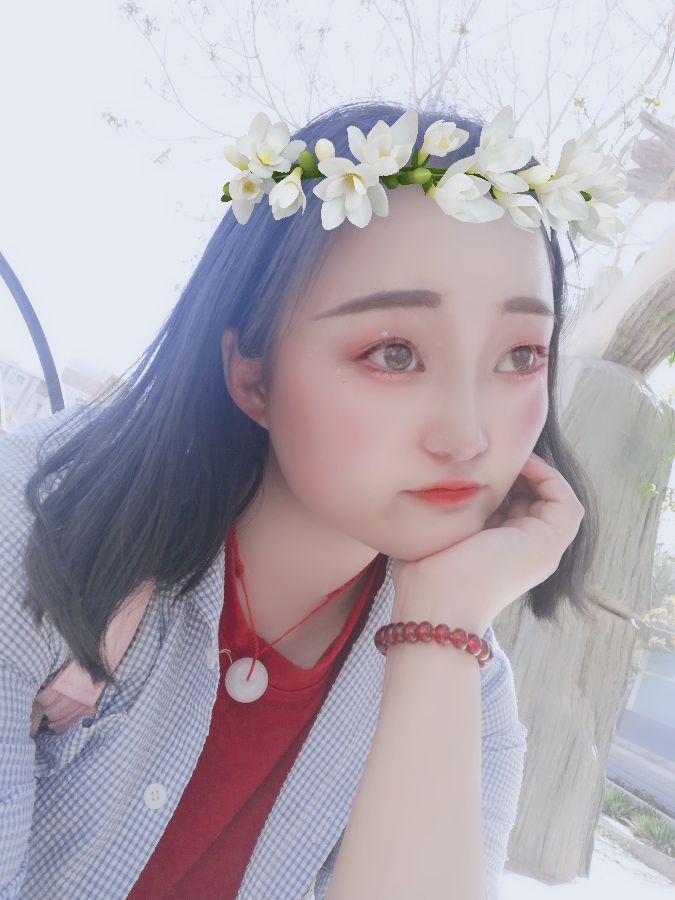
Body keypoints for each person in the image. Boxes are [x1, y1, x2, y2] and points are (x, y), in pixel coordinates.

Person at [0, 98, 602, 899]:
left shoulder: (467, 695)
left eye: (520, 355)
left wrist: (439, 627)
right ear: (252, 374)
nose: (468, 436)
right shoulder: (40, 528)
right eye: (395, 353)